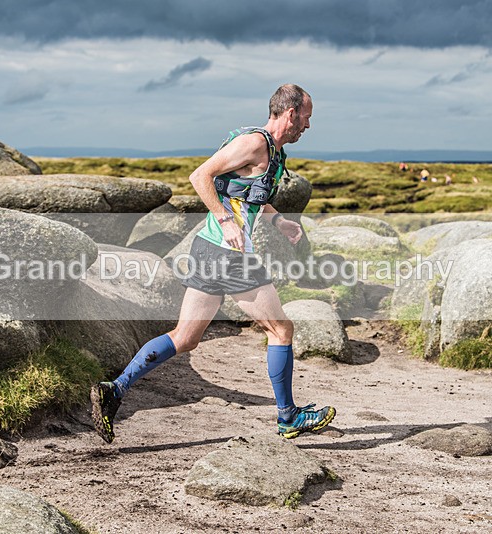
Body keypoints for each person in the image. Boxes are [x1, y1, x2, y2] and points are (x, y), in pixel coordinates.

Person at [90, 84, 335, 444]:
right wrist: (225, 220)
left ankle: (115, 389)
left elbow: (248, 196)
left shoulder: (274, 152)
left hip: (208, 252)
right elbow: (200, 176)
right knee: (281, 330)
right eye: (307, 117)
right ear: (291, 113)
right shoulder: (254, 143)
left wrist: (279, 221)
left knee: (185, 337)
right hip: (229, 255)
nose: (309, 126)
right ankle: (288, 417)